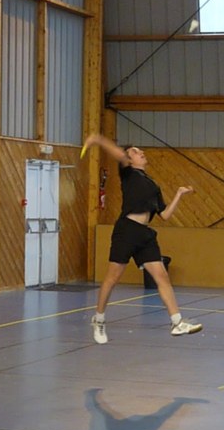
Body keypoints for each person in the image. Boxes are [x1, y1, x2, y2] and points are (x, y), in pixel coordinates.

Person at [82, 134, 203, 344]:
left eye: (140, 151)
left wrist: (179, 194)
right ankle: (99, 319)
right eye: (136, 151)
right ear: (128, 160)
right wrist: (97, 140)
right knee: (112, 278)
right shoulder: (128, 174)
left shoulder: (152, 185)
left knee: (162, 277)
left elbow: (164, 215)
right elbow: (117, 153)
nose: (141, 152)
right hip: (127, 231)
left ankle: (177, 322)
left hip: (145, 235)